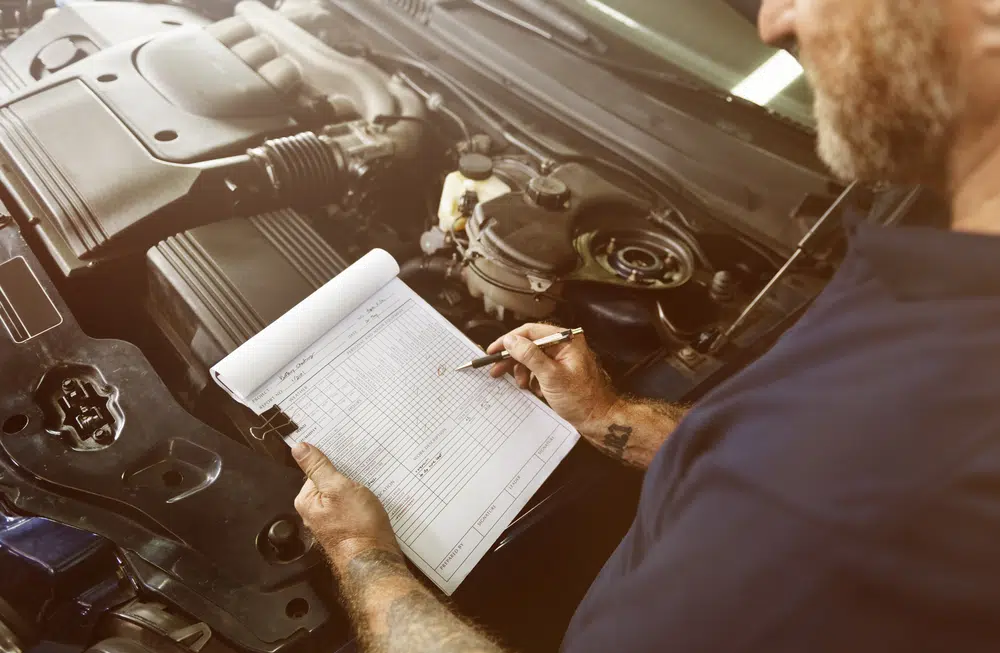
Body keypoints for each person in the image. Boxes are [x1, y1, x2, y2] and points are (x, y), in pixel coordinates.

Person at [290, 0, 1000, 650]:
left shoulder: (869, 486)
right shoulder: (938, 271)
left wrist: (363, 554)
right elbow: (771, 453)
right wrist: (611, 415)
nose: (776, 21)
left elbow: (814, 477)